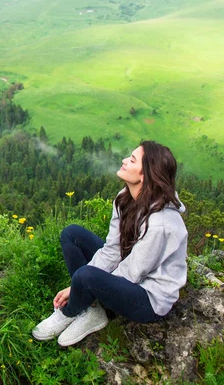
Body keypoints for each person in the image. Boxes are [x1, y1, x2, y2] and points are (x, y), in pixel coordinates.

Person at [32, 141, 188, 347]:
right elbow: (113, 250)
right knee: (72, 234)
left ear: (146, 175)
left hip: (148, 298)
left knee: (85, 275)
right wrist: (82, 285)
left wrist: (79, 287)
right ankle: (91, 309)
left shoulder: (160, 224)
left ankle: (71, 311)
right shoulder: (125, 198)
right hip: (127, 272)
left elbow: (134, 272)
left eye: (132, 160)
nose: (124, 161)